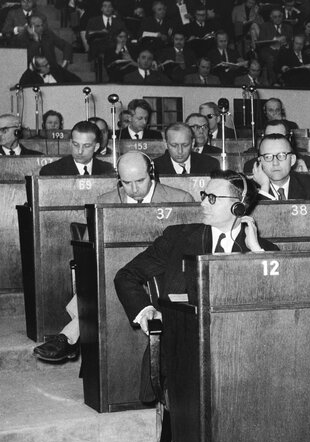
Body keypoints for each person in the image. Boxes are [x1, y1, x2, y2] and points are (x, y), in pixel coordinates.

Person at [114, 171, 278, 397]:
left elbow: (274, 303)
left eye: (212, 198)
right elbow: (127, 275)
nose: (202, 202)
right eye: (204, 195)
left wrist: (256, 253)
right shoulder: (178, 238)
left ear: (238, 207)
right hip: (184, 350)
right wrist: (146, 311)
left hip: (243, 350)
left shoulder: (265, 250)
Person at [33, 152, 195, 362]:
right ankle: (69, 337)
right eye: (126, 183)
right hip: (119, 269)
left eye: (140, 181)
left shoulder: (181, 199)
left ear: (152, 173)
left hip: (158, 271)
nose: (134, 189)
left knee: (113, 275)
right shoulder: (105, 202)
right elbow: (90, 247)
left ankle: (68, 337)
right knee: (110, 272)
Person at [251, 133, 310, 200]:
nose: (275, 163)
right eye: (268, 157)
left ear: (292, 160)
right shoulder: (249, 189)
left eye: (282, 156)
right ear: (260, 161)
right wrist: (264, 188)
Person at [243, 120, 310, 173]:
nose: (275, 142)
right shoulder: (252, 166)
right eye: (269, 137)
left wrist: (305, 176)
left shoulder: (309, 163)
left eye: (280, 137)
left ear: (289, 139)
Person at [39, 122, 115, 176]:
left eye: (86, 146)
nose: (80, 151)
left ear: (96, 147)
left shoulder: (108, 170)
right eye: (76, 145)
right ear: (70, 143)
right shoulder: (51, 172)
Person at [153, 122, 220, 176]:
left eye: (185, 145)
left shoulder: (210, 164)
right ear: (165, 144)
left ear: (193, 142)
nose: (180, 151)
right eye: (174, 145)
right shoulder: (154, 168)